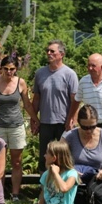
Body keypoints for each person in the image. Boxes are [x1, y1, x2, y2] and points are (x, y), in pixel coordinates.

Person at [0, 55, 40, 201]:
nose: (9, 72)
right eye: (6, 69)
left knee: (17, 161)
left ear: (16, 69)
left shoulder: (21, 83)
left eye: (12, 69)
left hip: (16, 126)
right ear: (1, 69)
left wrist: (36, 120)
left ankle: (15, 194)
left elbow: (27, 104)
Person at [32, 40, 79, 172]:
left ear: (61, 54)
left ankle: (64, 186)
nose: (48, 53)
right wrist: (34, 120)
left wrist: (72, 120)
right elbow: (36, 99)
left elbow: (75, 100)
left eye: (52, 51)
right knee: (45, 156)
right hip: (45, 122)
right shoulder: (40, 73)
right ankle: (45, 188)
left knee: (63, 156)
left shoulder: (70, 74)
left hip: (63, 122)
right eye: (47, 50)